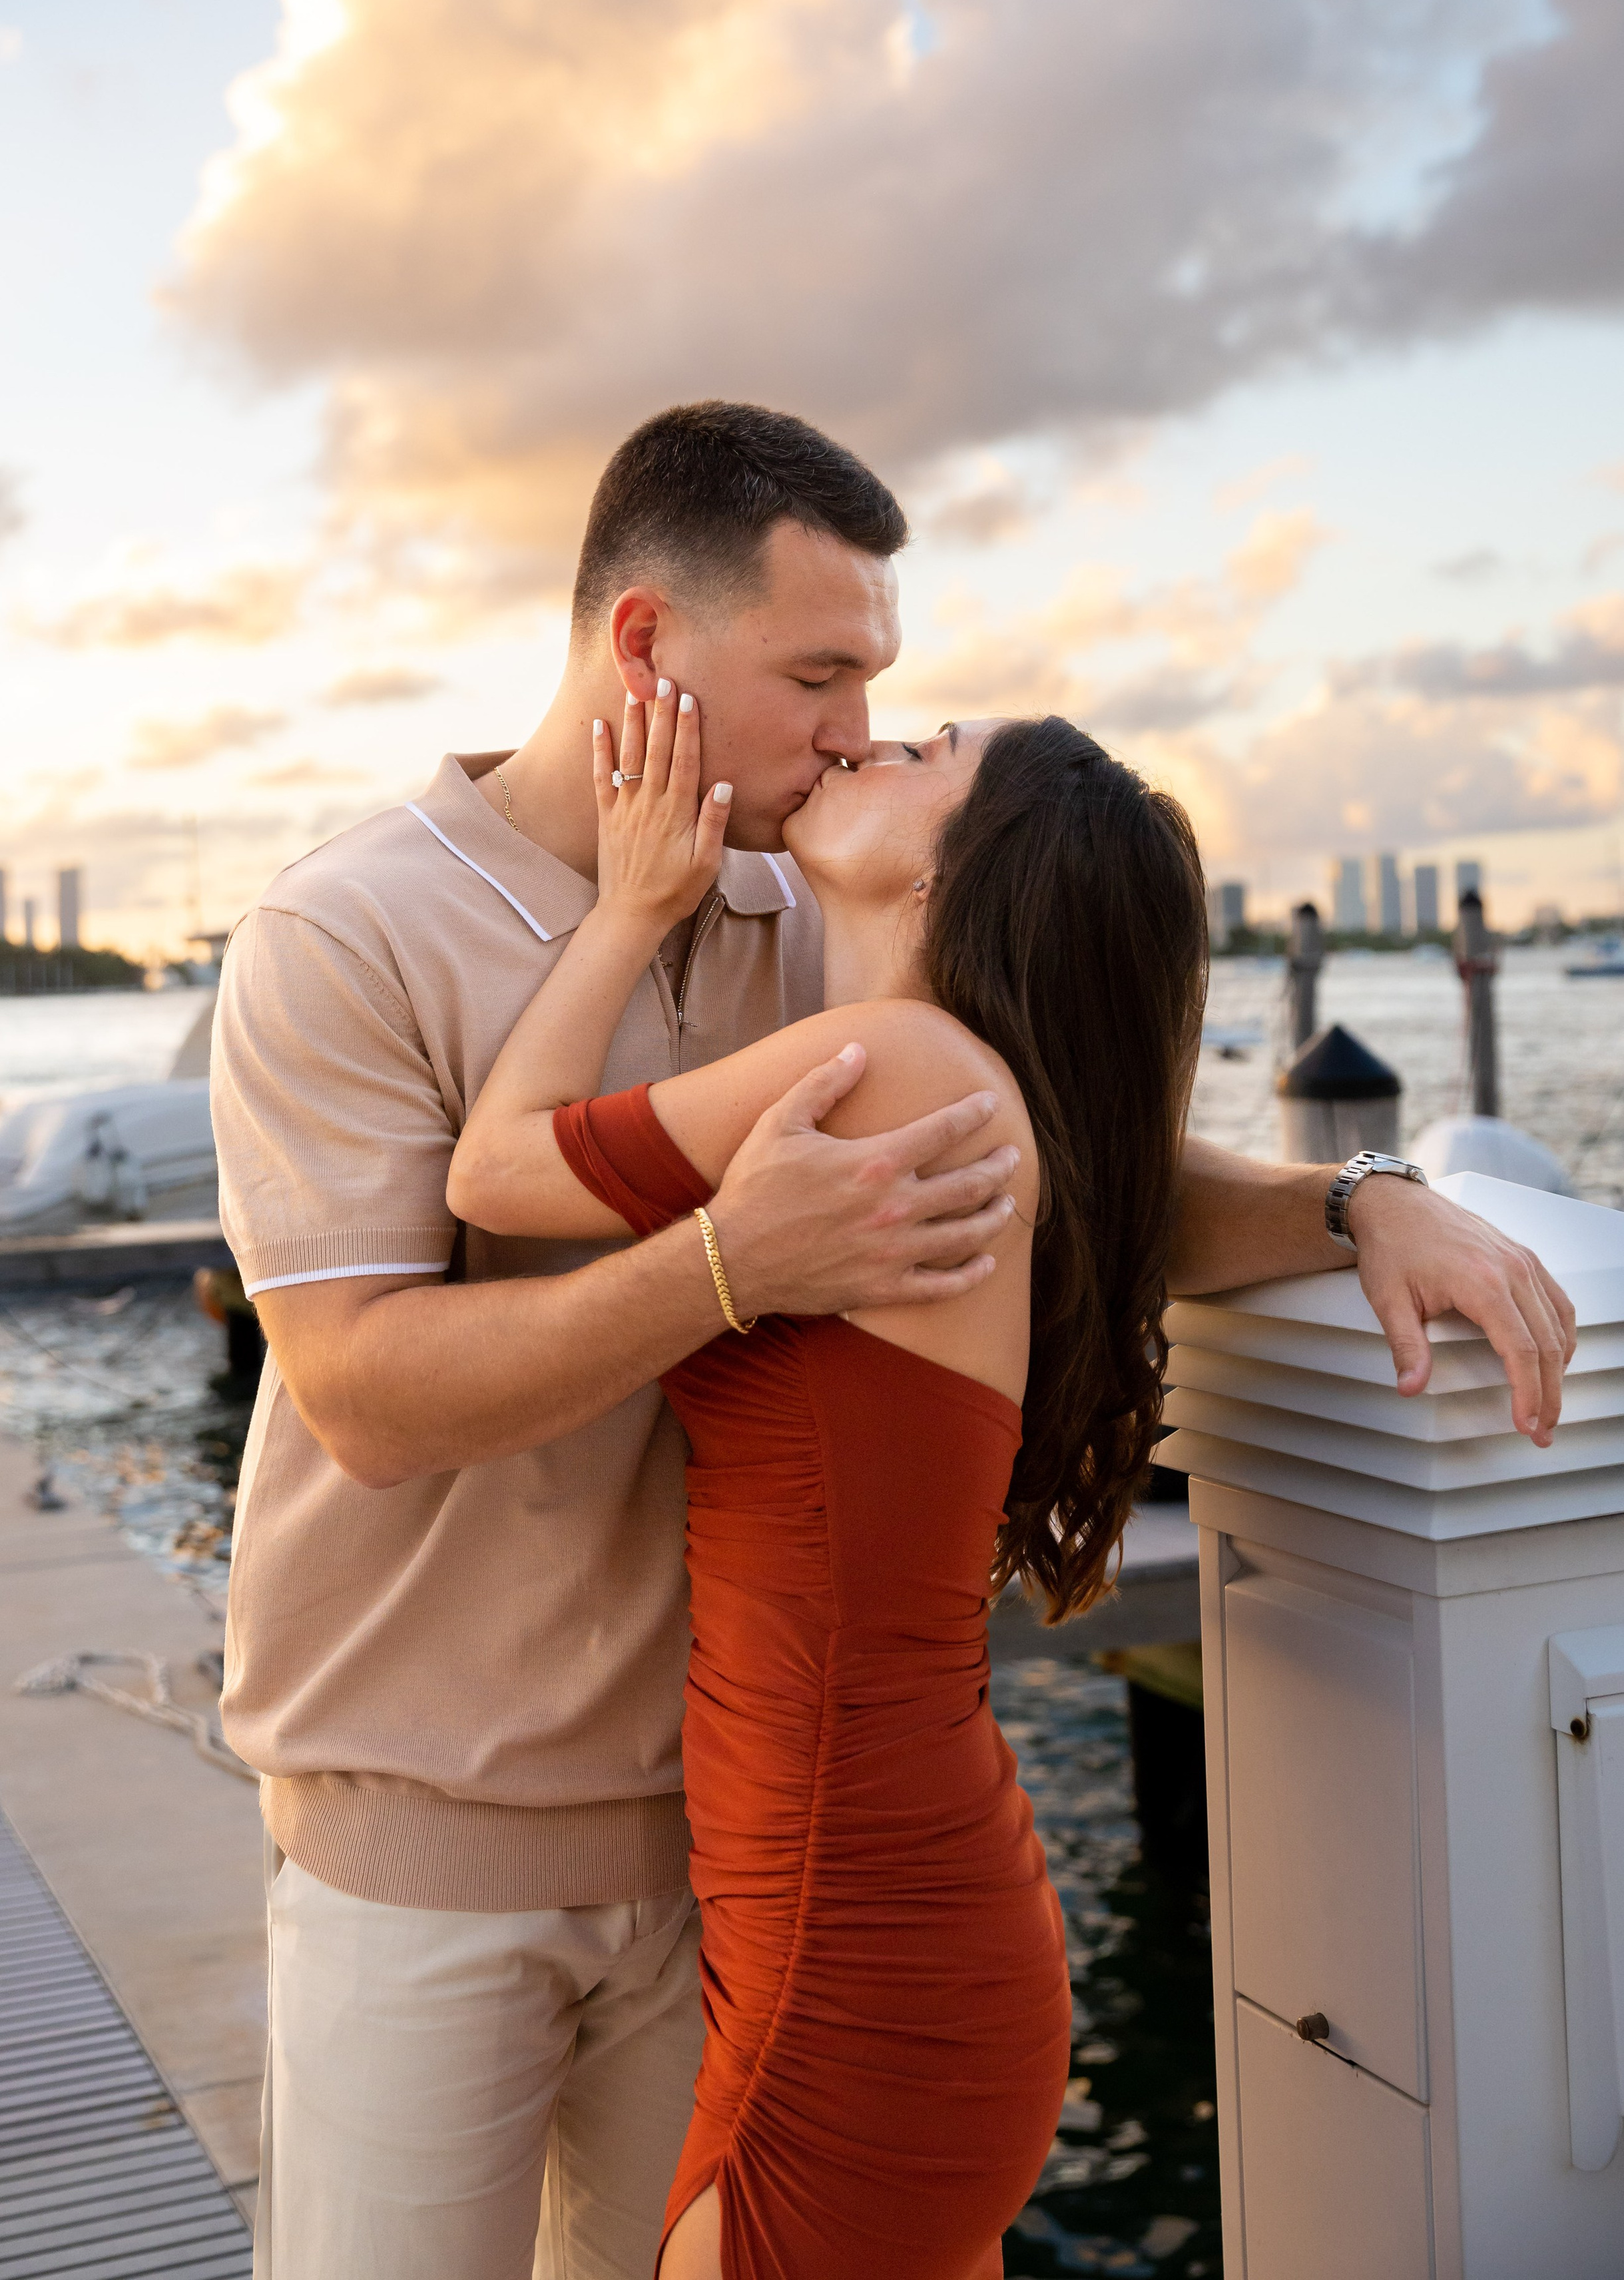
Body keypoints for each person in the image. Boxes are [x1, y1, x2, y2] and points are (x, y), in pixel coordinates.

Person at [211, 402, 1575, 2280]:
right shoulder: (347, 933)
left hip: (735, 1860)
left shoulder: (811, 908)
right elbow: (364, 1398)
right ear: (644, 647)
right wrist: (724, 1266)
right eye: (823, 674)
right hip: (434, 1839)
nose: (856, 730)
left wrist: (1362, 1200)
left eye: (883, 686)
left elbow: (1054, 1166)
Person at [444, 687, 1211, 2279]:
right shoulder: (920, 1080)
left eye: (926, 755)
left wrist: (636, 903)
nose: (869, 740)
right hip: (865, 1916)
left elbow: (493, 1172)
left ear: (953, 876)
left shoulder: (895, 1070)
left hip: (845, 1947)